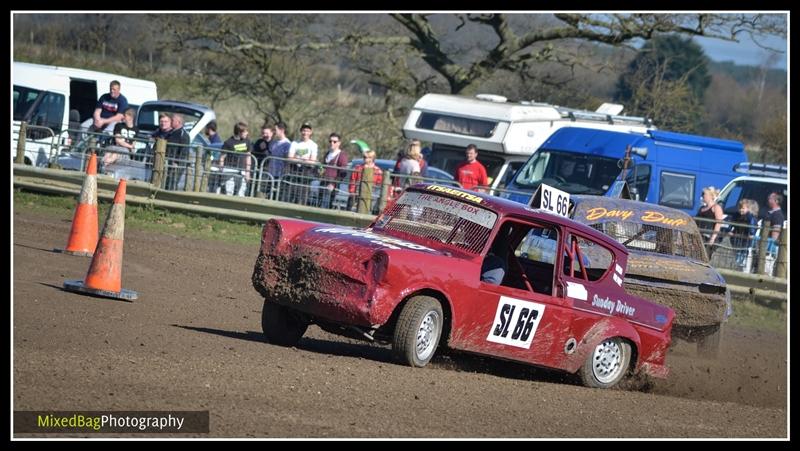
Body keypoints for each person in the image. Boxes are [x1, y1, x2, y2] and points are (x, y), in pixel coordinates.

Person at [287, 122, 319, 205]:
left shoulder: (313, 145)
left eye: (307, 131)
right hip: (295, 170)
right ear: (301, 131)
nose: (305, 133)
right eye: (304, 130)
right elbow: (289, 158)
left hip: (306, 173)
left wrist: (298, 159)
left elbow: (313, 161)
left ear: (311, 132)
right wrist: (303, 160)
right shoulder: (294, 143)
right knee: (291, 194)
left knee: (303, 196)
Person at [219, 121, 253, 197]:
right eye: (245, 131)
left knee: (241, 193)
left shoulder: (247, 141)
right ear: (239, 132)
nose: (247, 133)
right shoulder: (228, 142)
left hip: (242, 171)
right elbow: (222, 158)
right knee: (229, 192)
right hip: (229, 170)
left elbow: (248, 157)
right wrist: (221, 170)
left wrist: (248, 172)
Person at [320, 133, 349, 209]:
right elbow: (322, 167)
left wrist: (333, 184)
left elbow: (343, 173)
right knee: (319, 206)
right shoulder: (327, 153)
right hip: (323, 182)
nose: (332, 143)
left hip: (332, 185)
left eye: (334, 141)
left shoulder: (342, 155)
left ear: (339, 143)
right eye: (330, 141)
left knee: (327, 208)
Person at [729, 199, 758, 269]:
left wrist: (751, 233)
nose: (740, 210)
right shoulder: (736, 215)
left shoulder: (750, 217)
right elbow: (731, 224)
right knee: (736, 253)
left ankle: (741, 266)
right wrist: (730, 230)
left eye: (743, 208)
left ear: (748, 209)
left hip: (746, 240)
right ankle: (736, 266)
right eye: (739, 208)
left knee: (743, 253)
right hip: (737, 239)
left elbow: (752, 226)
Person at [696, 186, 724, 256]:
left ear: (710, 196)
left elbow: (718, 223)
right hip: (699, 236)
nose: (702, 196)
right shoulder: (701, 208)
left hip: (708, 237)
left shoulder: (716, 207)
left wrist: (713, 238)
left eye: (704, 194)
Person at [165, 114, 190, 190]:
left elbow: (184, 150)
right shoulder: (170, 132)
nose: (170, 122)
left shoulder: (183, 134)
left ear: (178, 122)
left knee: (172, 182)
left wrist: (177, 162)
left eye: (172, 120)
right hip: (168, 162)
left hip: (176, 164)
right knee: (165, 182)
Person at [764, 192, 785, 257]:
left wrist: (769, 247)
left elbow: (775, 234)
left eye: (770, 198)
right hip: (764, 243)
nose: (768, 200)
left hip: (769, 249)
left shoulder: (778, 215)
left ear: (776, 201)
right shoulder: (770, 212)